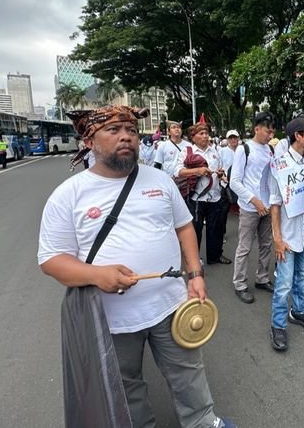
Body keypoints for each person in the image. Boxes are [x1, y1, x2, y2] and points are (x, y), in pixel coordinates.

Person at [38, 106, 235, 428]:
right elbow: (51, 259)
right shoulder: (68, 195)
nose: (126, 136)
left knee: (188, 370)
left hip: (171, 304)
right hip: (111, 317)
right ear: (88, 141)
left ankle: (203, 422)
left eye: (130, 129)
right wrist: (96, 275)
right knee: (125, 383)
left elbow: (184, 226)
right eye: (113, 131)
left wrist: (196, 273)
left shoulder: (159, 180)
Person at [269, 116, 304, 352]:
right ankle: (278, 325)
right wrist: (277, 240)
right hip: (288, 235)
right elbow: (274, 205)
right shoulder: (279, 165)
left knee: (301, 276)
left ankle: (299, 311)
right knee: (283, 284)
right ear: (297, 136)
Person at [229, 113, 276, 304]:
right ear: (257, 128)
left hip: (267, 207)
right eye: (267, 130)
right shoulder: (244, 149)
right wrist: (253, 200)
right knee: (245, 247)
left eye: (272, 131)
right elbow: (234, 182)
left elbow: (272, 179)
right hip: (250, 208)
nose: (270, 134)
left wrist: (272, 202)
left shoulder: (270, 151)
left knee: (266, 245)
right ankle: (240, 283)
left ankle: (262, 278)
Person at [174, 123, 232, 266]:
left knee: (216, 229)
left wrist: (220, 173)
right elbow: (177, 172)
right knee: (195, 230)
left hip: (215, 196)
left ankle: (215, 255)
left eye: (206, 133)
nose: (205, 136)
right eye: (201, 133)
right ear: (193, 137)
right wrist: (197, 171)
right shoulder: (187, 152)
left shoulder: (215, 151)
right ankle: (194, 259)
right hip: (196, 197)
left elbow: (220, 169)